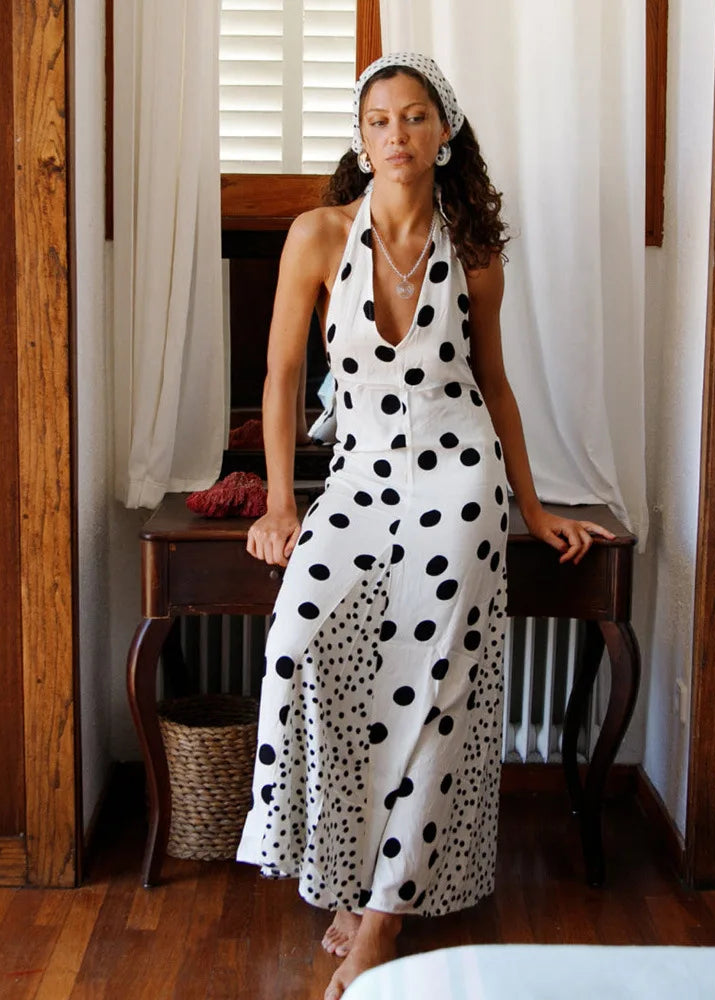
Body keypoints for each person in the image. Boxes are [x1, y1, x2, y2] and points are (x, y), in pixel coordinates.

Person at [237, 52, 614, 1000]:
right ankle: (344, 868)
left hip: (459, 482)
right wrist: (283, 501)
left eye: (413, 118)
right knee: (302, 640)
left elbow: (496, 387)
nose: (395, 135)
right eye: (377, 121)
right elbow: (282, 378)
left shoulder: (473, 253)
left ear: (442, 135)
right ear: (360, 140)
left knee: (431, 682)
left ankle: (384, 915)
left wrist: (534, 509)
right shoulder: (318, 236)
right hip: (357, 479)